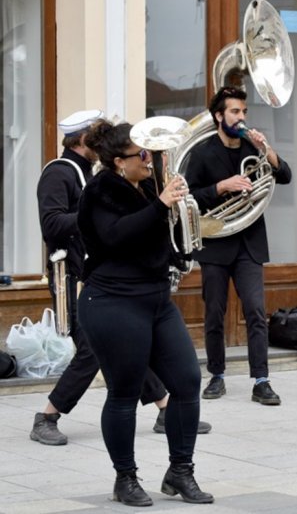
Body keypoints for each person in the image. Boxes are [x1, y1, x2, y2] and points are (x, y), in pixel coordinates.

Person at [31, 110, 211, 447]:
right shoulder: (60, 173)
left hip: (120, 281)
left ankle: (164, 406)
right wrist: (94, 217)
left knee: (127, 349)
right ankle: (48, 414)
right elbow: (52, 224)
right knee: (92, 351)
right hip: (77, 273)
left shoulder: (104, 176)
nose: (146, 158)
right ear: (85, 141)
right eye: (140, 153)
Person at [77, 121, 212, 506]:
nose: (151, 161)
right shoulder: (100, 190)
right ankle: (125, 478)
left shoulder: (149, 185)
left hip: (154, 299)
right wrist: (161, 205)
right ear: (120, 162)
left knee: (186, 382)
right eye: (144, 155)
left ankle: (180, 472)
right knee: (124, 391)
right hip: (112, 301)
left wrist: (182, 210)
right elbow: (117, 235)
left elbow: (164, 233)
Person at [185, 86, 292, 406]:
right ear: (219, 116)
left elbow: (284, 174)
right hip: (217, 243)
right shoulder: (203, 152)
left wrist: (267, 149)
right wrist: (222, 186)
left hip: (249, 243)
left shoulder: (252, 146)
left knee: (256, 312)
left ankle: (261, 380)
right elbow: (190, 198)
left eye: (244, 112)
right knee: (215, 314)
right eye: (235, 112)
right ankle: (216, 375)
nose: (242, 117)